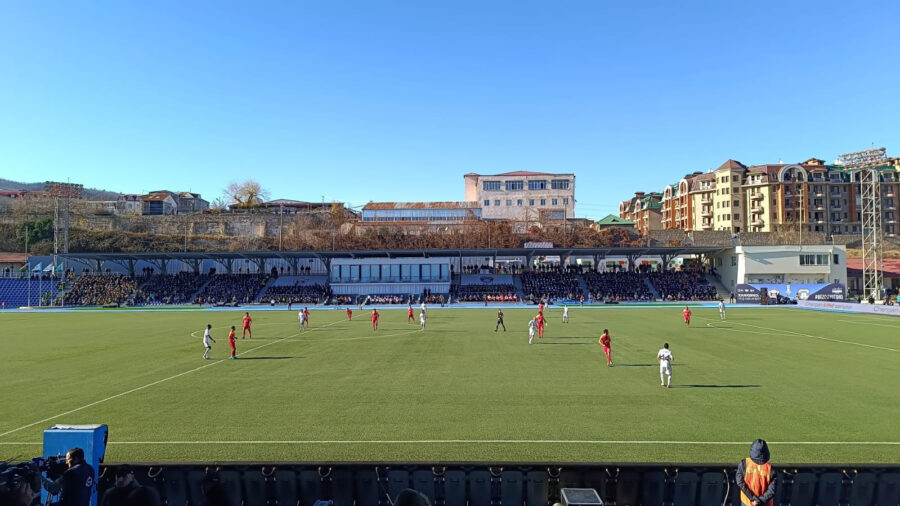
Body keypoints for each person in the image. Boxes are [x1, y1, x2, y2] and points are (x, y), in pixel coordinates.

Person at [736, 439, 776, 506]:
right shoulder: (771, 469)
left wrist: (753, 499)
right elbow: (772, 491)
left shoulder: (744, 463)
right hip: (765, 503)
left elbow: (740, 482)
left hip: (747, 502)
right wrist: (759, 501)